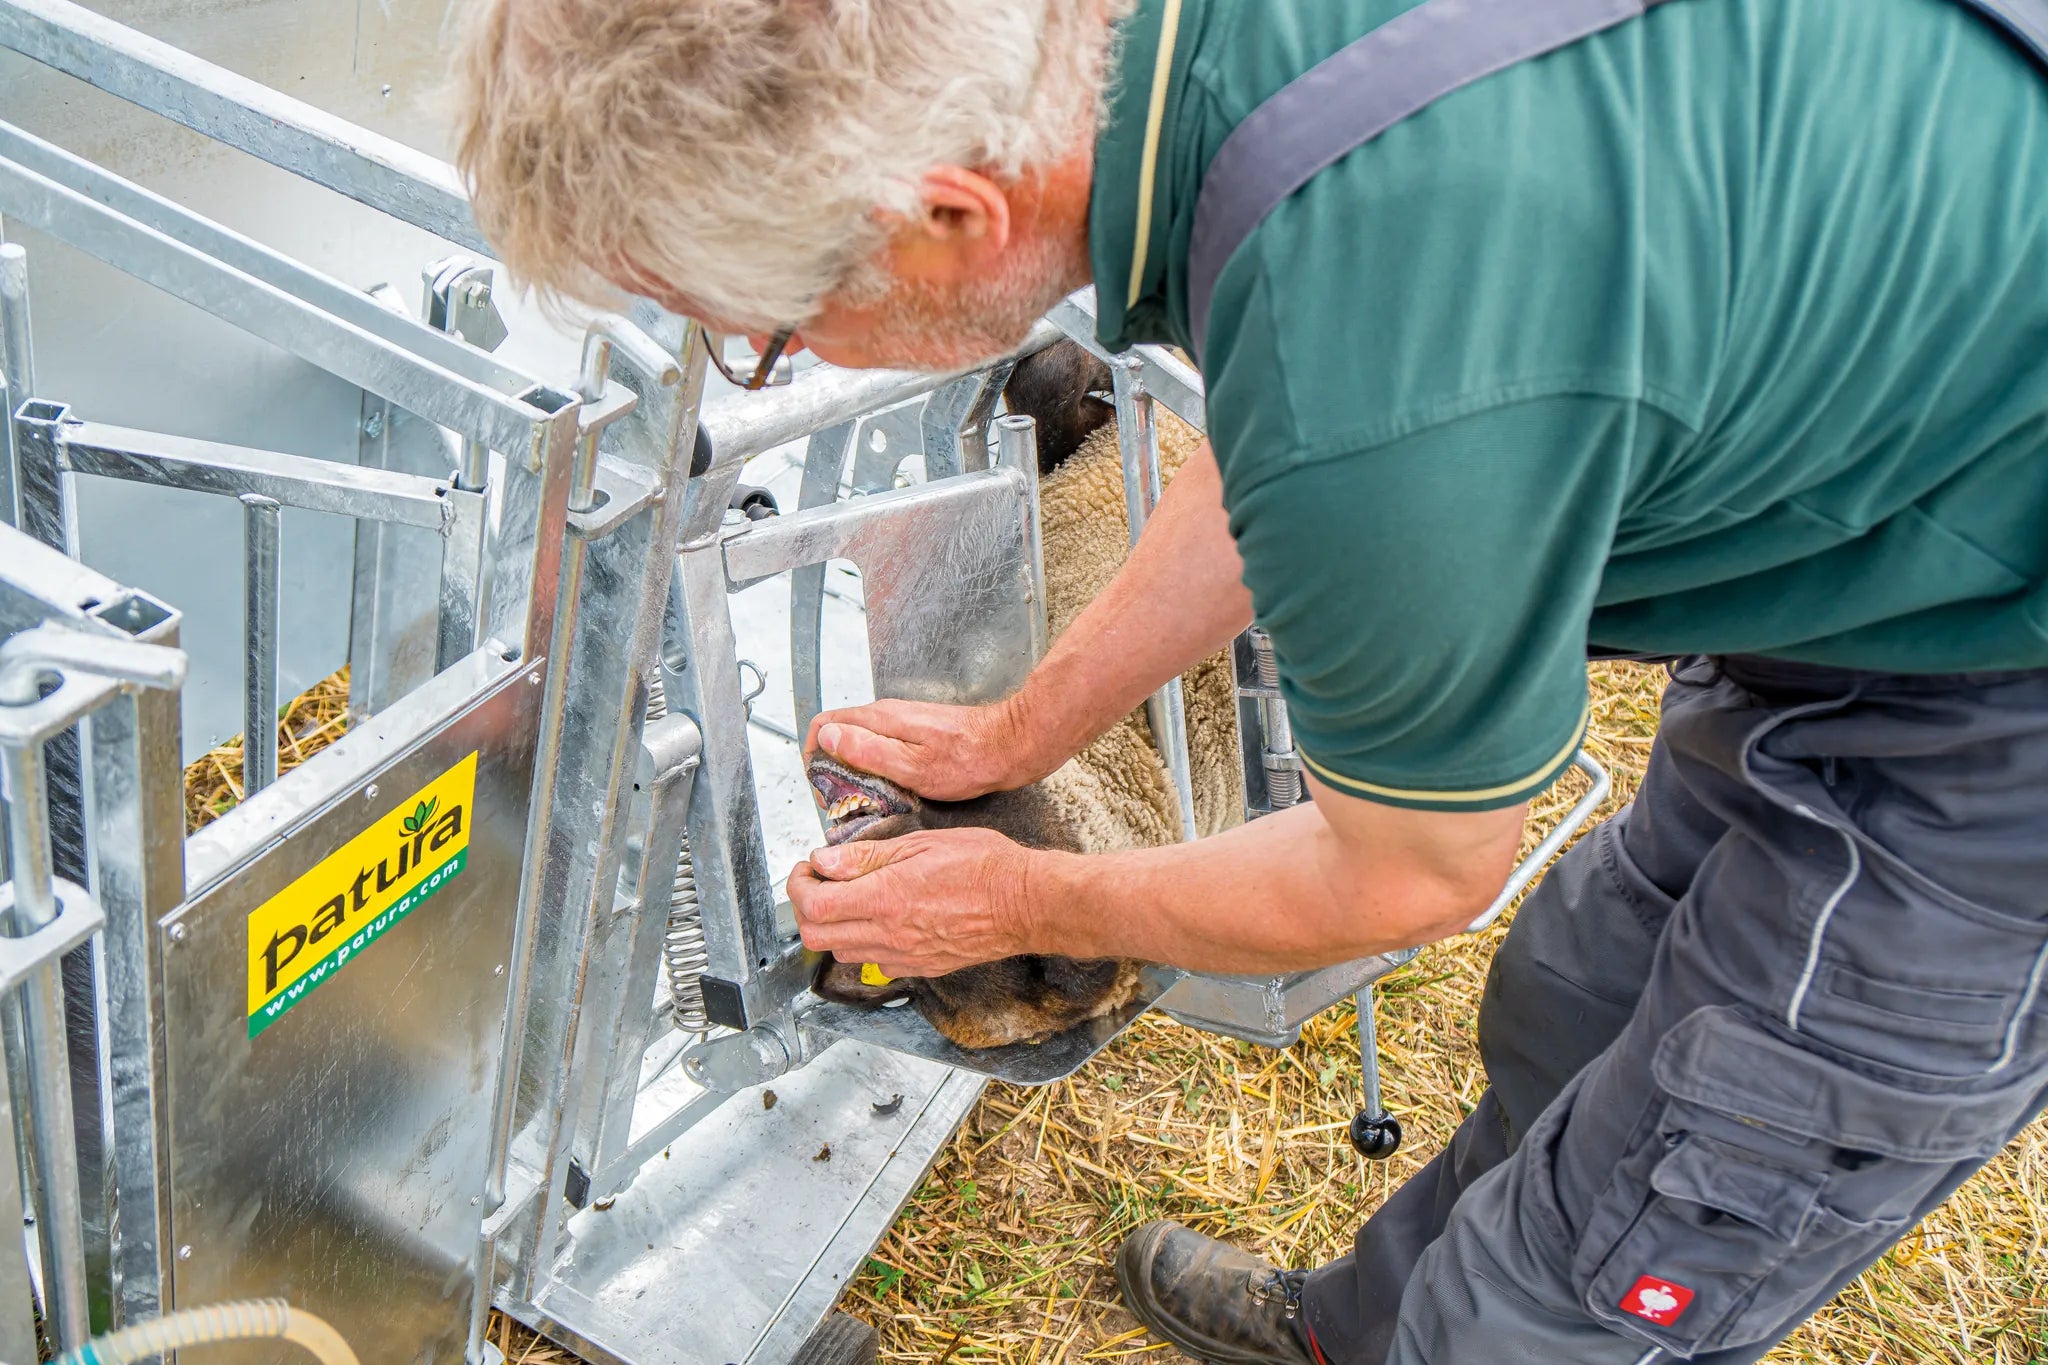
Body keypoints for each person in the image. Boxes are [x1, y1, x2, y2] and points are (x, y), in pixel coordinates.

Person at [453, 0, 2048, 1359]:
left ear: (951, 217)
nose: (786, 364)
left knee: (1660, 1199)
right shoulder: (1206, 77)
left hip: (2003, 714)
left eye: (768, 332)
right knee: (1578, 993)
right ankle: (1355, 1329)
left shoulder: (1388, 312)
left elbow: (1415, 862)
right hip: (1890, 537)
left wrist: (1019, 903)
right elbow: (1274, 451)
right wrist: (1027, 727)